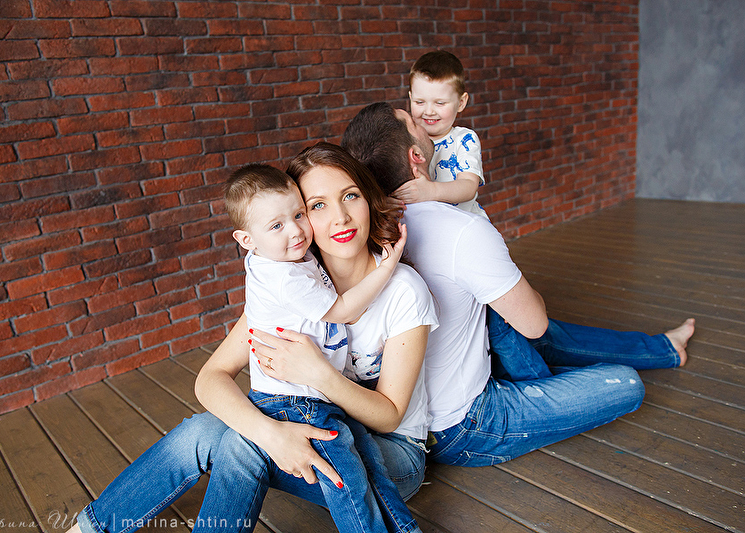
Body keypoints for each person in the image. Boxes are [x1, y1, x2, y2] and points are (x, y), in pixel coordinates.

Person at [69, 144, 437, 533]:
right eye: (317, 205)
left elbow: (390, 416)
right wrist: (272, 436)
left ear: (368, 198)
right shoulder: (290, 281)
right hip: (316, 423)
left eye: (350, 196)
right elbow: (210, 379)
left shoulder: (403, 290)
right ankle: (87, 529)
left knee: (239, 445)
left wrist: (319, 375)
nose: (340, 217)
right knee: (207, 433)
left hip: (392, 454)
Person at [340, 101, 695, 466]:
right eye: (413, 121)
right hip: (465, 424)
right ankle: (563, 373)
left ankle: (663, 347)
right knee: (624, 383)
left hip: (424, 410)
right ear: (415, 157)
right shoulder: (460, 230)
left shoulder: (357, 235)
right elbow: (535, 323)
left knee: (529, 328)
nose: (423, 119)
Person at [203, 163, 416, 533]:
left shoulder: (288, 259)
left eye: (299, 214)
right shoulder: (285, 276)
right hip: (298, 403)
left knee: (368, 471)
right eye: (277, 226)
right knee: (348, 485)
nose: (296, 230)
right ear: (246, 240)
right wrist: (387, 267)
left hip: (321, 402)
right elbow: (344, 311)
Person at [395, 50, 488, 219]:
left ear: (461, 103)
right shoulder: (404, 140)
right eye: (419, 102)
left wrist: (430, 191)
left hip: (464, 224)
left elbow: (469, 186)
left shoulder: (464, 139)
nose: (429, 111)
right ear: (410, 98)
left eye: (440, 103)